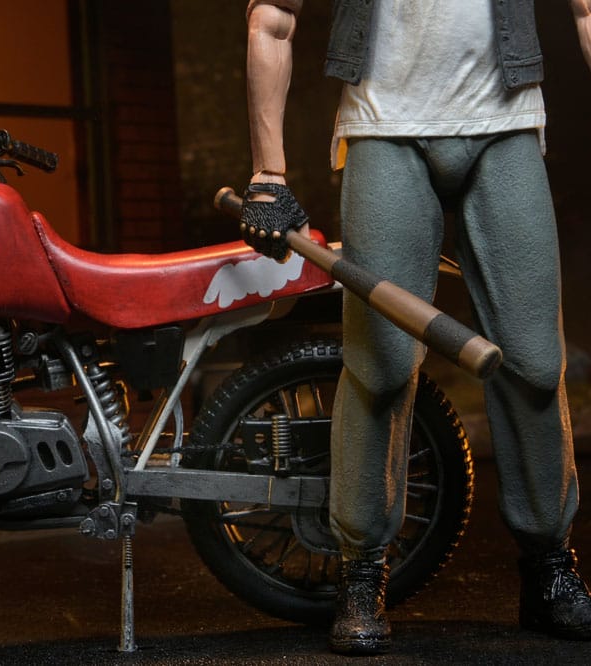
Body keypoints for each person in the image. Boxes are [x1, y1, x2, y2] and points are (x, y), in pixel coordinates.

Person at [241, 0, 591, 655]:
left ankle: (549, 566)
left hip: (505, 124)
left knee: (536, 364)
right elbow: (273, 18)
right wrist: (268, 173)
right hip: (384, 128)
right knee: (379, 365)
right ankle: (361, 572)